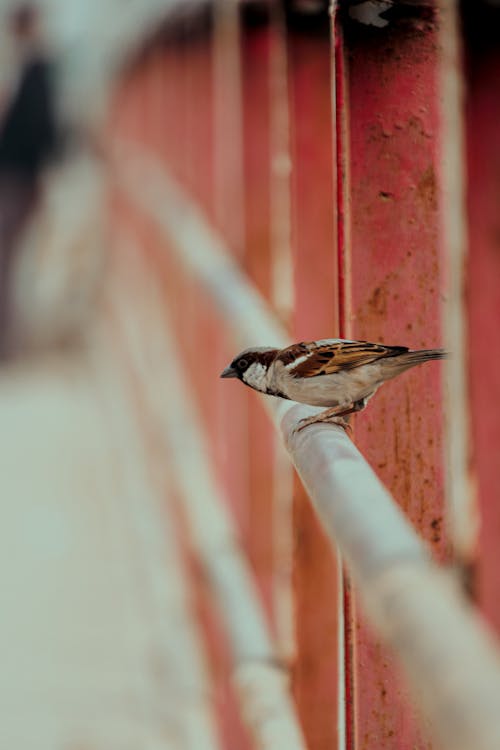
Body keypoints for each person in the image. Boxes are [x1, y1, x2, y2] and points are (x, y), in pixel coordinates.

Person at [0, 3, 58, 358]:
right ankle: (8, 339)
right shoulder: (31, 70)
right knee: (7, 261)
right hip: (20, 180)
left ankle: (6, 343)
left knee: (4, 260)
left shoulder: (34, 71)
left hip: (17, 181)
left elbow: (43, 132)